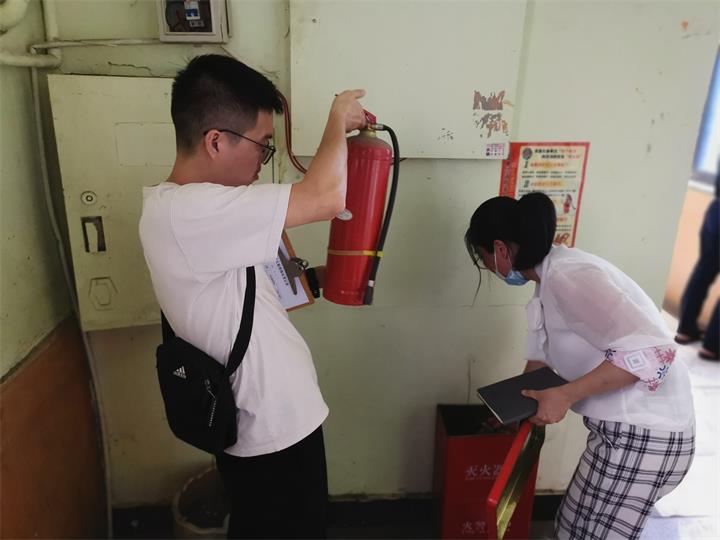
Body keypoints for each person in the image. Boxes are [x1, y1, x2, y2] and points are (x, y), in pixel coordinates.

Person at [138, 54, 366, 538]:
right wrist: (337, 120)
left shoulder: (203, 213)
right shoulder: (188, 211)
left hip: (278, 422)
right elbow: (326, 197)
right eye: (263, 146)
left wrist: (321, 280)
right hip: (267, 431)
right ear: (216, 141)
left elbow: (251, 297)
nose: (264, 162)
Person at [464, 192, 695, 540]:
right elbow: (541, 356)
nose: (488, 267)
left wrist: (566, 395)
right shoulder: (548, 278)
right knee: (571, 528)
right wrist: (515, 406)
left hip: (644, 434)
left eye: (483, 258)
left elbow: (654, 353)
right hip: (623, 433)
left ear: (500, 250)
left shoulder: (568, 277)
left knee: (581, 534)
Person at [674, 171, 719, 360]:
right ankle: (713, 344)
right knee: (703, 272)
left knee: (702, 272)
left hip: (716, 211)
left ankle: (685, 329)